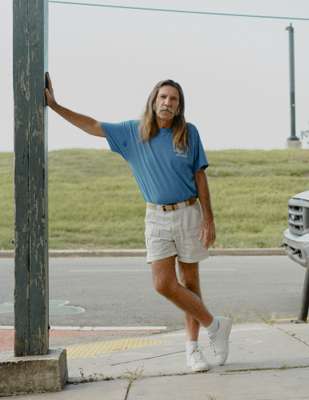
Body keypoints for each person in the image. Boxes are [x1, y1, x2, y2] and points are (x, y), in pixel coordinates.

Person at [45, 73, 232, 372]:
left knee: (190, 282)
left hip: (189, 213)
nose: (167, 103)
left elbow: (200, 175)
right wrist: (55, 106)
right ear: (154, 100)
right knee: (163, 284)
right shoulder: (134, 132)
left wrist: (209, 218)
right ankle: (215, 324)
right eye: (163, 97)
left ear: (179, 105)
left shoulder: (189, 133)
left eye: (173, 99)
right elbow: (93, 125)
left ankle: (193, 349)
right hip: (156, 216)